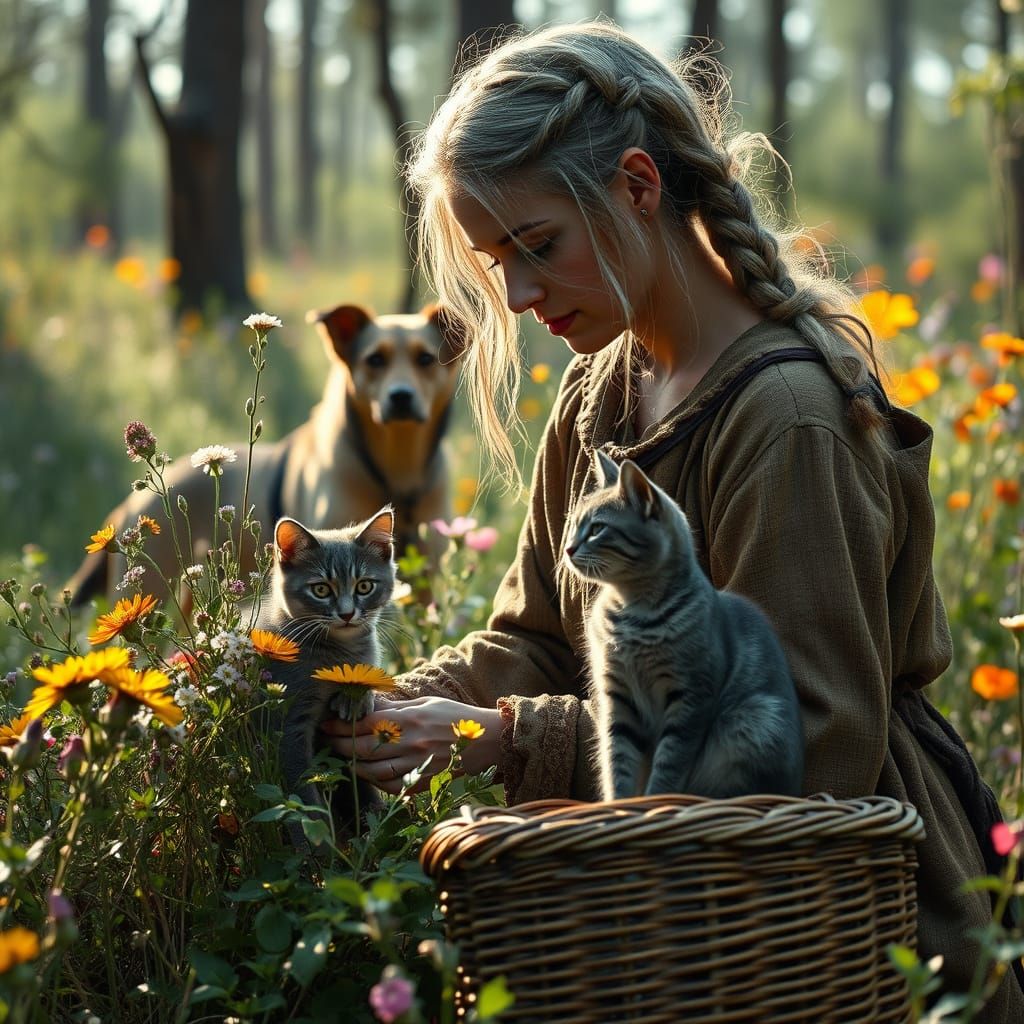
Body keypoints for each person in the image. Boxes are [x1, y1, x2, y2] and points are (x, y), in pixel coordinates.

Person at [322, 21, 1024, 1018]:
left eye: (537, 246)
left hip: (842, 942)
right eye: (496, 262)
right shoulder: (597, 395)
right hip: (659, 921)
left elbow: (804, 757)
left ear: (638, 187)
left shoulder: (785, 421)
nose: (517, 295)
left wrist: (507, 739)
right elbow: (536, 641)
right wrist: (357, 702)